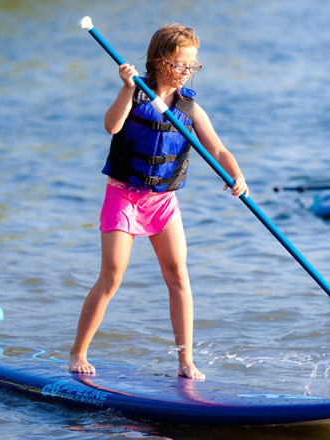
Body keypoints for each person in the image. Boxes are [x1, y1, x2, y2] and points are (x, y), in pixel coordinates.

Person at [69, 23, 249, 381]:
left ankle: (185, 361)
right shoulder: (135, 92)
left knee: (179, 276)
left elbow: (218, 148)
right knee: (112, 276)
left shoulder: (190, 107)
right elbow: (112, 126)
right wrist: (125, 87)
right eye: (181, 65)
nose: (187, 72)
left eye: (193, 66)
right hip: (123, 195)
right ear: (159, 61)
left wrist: (237, 175)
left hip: (163, 201)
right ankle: (78, 352)